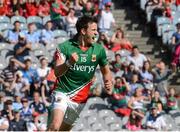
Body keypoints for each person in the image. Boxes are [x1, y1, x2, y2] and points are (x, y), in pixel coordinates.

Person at [47, 16, 113, 131]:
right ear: (83, 31)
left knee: (63, 130)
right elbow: (57, 72)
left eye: (96, 30)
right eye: (93, 30)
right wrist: (69, 63)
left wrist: (108, 82)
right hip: (62, 92)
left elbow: (106, 71)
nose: (96, 33)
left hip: (80, 99)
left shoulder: (99, 50)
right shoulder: (65, 47)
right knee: (55, 126)